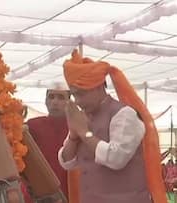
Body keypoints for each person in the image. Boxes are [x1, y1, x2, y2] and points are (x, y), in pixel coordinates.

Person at [58, 49, 166, 203]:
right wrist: (74, 135)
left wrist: (84, 133)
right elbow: (66, 161)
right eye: (74, 95)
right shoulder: (84, 117)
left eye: (81, 94)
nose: (78, 101)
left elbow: (116, 158)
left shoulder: (124, 114)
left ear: (98, 87)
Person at [26, 82, 70, 201]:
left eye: (61, 98)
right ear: (45, 101)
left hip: (71, 191)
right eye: (51, 97)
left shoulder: (78, 126)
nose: (55, 102)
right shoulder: (32, 126)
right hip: (41, 193)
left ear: (69, 102)